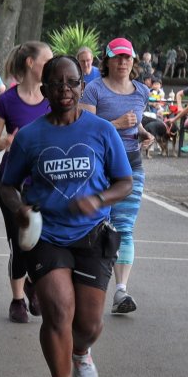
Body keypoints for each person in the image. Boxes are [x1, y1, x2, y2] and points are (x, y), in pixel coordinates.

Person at [0, 55, 133, 377]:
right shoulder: (29, 136)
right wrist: (21, 210)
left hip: (92, 234)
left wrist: (98, 198)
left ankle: (81, 351)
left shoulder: (102, 130)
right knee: (58, 311)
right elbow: (8, 185)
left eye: (72, 82)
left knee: (88, 324)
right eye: (56, 84)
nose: (64, 90)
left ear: (81, 85)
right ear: (44, 90)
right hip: (49, 236)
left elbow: (125, 182)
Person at [79, 37, 154, 314]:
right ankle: (91, 285)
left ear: (133, 61)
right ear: (107, 60)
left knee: (124, 227)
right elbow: (85, 130)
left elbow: (138, 122)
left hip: (131, 166)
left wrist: (144, 134)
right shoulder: (94, 90)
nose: (123, 62)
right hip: (99, 168)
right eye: (118, 57)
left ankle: (121, 292)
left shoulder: (141, 92)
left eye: (127, 58)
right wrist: (116, 124)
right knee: (97, 227)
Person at [0, 41, 53, 323]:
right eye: (46, 61)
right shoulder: (6, 100)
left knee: (40, 243)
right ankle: (18, 299)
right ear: (30, 63)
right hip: (12, 183)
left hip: (45, 183)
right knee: (19, 241)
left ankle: (32, 284)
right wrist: (7, 141)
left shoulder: (53, 99)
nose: (51, 66)